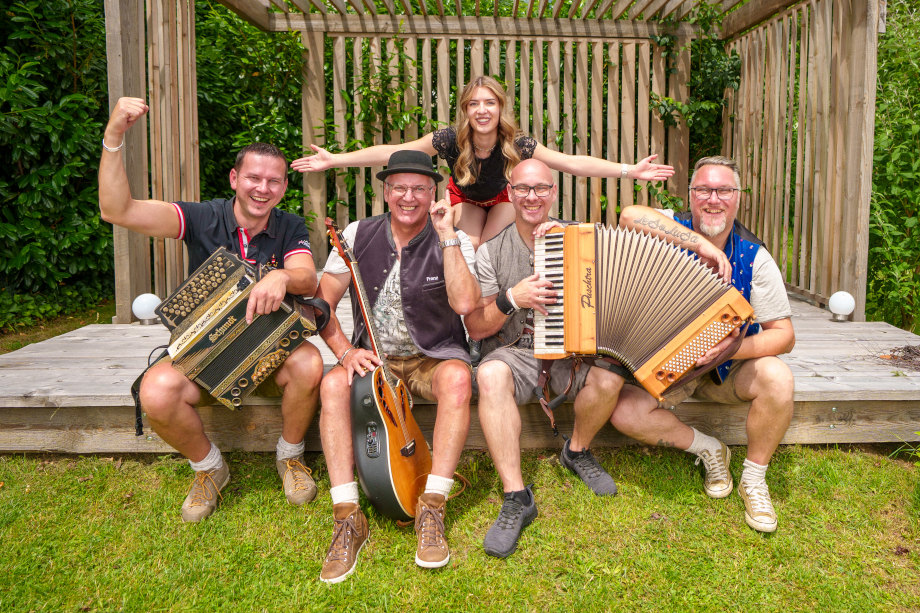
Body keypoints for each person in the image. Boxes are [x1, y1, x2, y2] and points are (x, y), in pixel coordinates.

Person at [98, 97, 325, 523]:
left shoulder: (290, 225)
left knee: (310, 363)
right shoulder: (202, 217)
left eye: (274, 181)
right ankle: (209, 469)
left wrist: (280, 277)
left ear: (284, 188)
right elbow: (117, 210)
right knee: (156, 390)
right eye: (254, 178)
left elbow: (308, 279)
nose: (263, 188)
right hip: (206, 355)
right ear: (235, 178)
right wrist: (114, 136)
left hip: (268, 354)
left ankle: (290, 457)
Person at [314, 149, 481, 583]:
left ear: (434, 193)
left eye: (419, 188)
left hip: (433, 355)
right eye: (400, 188)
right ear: (386, 191)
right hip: (375, 359)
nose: (409, 197)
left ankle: (433, 505)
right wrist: (344, 352)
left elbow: (465, 303)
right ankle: (348, 514)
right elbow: (321, 304)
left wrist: (446, 235)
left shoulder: (454, 239)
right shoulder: (356, 234)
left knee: (459, 380)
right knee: (332, 387)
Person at [613, 155, 795, 533]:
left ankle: (754, 478)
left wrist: (725, 350)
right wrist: (703, 246)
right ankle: (709, 448)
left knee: (778, 378)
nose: (713, 199)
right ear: (690, 195)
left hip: (725, 371)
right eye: (703, 190)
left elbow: (784, 334)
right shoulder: (669, 226)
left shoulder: (754, 256)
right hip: (668, 367)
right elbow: (629, 214)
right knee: (623, 413)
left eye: (724, 190)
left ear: (738, 198)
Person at [292, 75, 675, 249]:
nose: (482, 109)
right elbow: (395, 153)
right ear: (465, 110)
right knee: (466, 246)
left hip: (504, 200)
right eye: (474, 103)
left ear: (500, 107)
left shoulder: (517, 143)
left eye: (489, 102)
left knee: (490, 247)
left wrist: (630, 170)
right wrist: (334, 160)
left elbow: (571, 163)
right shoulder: (448, 138)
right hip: (467, 200)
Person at [463, 159, 629, 559]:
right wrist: (511, 298)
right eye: (522, 189)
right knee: (489, 376)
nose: (531, 196)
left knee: (610, 377)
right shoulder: (491, 251)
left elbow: (615, 290)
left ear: (554, 193)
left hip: (573, 351)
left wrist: (574, 251)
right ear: (510, 193)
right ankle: (517, 496)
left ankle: (576, 450)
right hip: (517, 350)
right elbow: (477, 327)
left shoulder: (581, 238)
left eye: (540, 188)